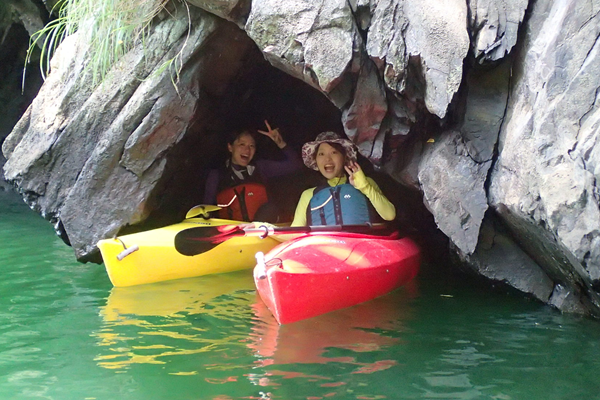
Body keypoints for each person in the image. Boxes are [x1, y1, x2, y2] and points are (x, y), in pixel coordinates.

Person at [290, 131, 395, 226]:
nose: (327, 159)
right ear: (316, 160)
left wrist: (366, 187)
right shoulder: (308, 195)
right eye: (321, 154)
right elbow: (294, 232)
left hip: (358, 245)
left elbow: (390, 215)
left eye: (334, 152)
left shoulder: (365, 183)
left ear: (344, 157)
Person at [203, 120, 302, 222]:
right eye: (242, 144)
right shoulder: (217, 175)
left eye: (251, 146)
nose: (247, 150)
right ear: (230, 147)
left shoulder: (261, 168)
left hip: (261, 232)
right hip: (231, 234)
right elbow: (206, 210)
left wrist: (280, 143)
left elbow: (295, 165)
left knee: (270, 209)